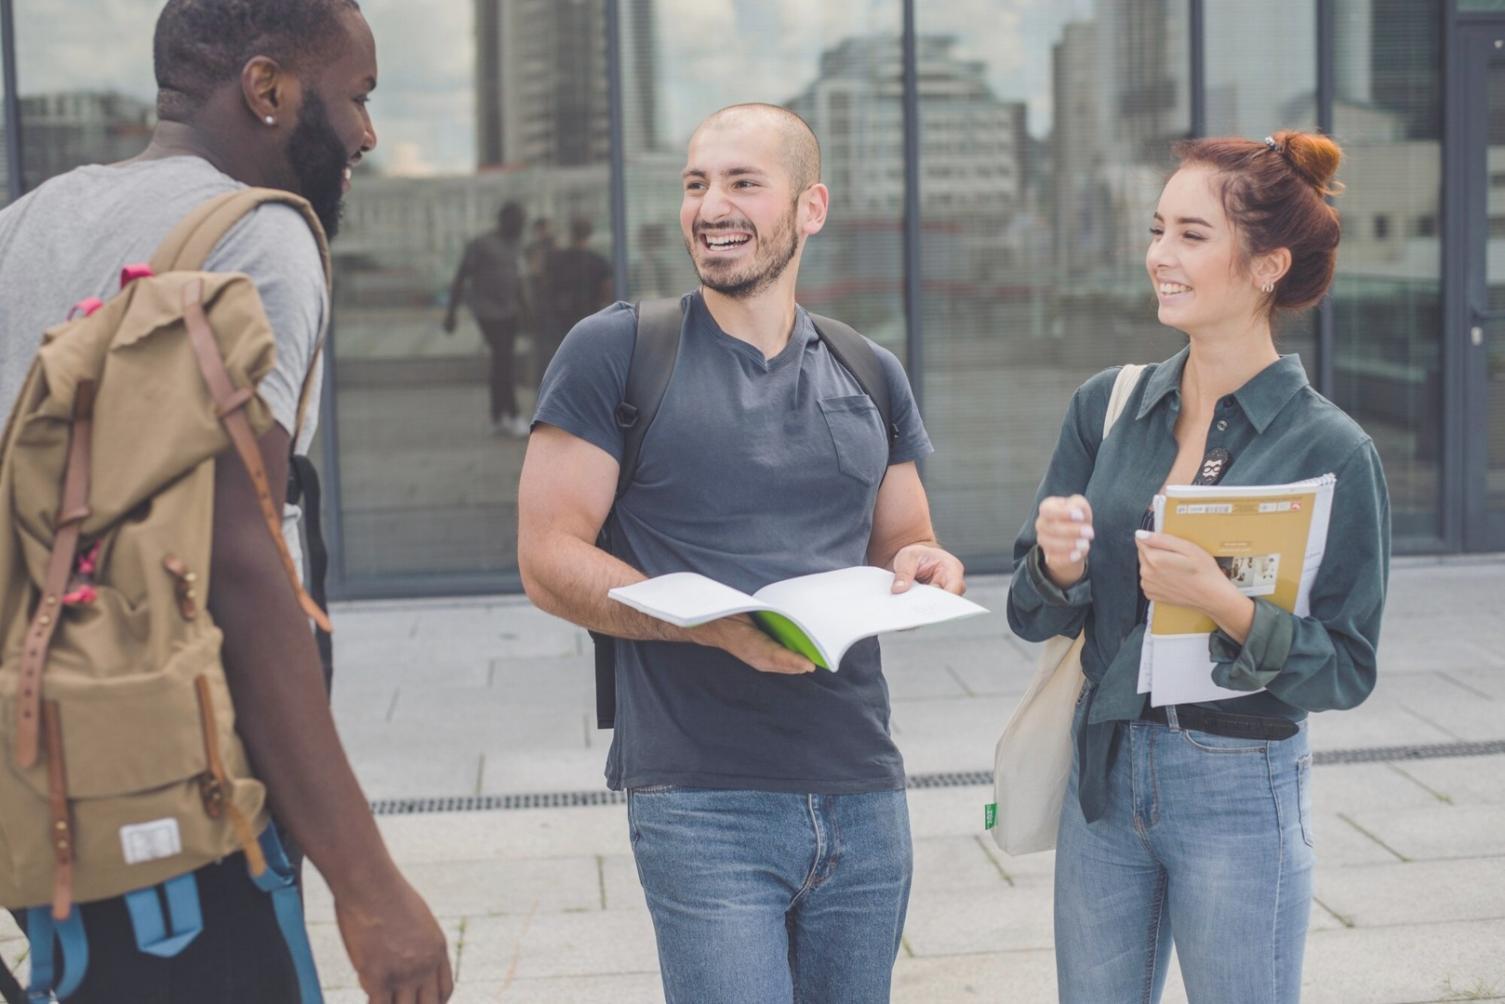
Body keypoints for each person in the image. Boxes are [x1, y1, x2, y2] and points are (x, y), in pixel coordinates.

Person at [0, 1, 453, 1000]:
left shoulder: (25, 224)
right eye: (357, 97)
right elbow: (239, 563)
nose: (368, 134)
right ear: (266, 89)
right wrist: (372, 886)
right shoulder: (255, 236)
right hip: (185, 776)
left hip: (41, 770)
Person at [517, 103, 965, 1003]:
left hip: (862, 787)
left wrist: (926, 567)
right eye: (695, 184)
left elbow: (905, 540)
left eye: (741, 183)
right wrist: (715, 626)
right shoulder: (617, 351)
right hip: (699, 797)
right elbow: (546, 558)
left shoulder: (868, 368)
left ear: (810, 208)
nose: (710, 205)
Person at [1008, 131, 1389, 1003]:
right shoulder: (1105, 406)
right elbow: (1031, 615)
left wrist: (1225, 603)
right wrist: (1056, 569)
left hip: (1237, 786)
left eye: (1190, 235)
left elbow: (1348, 667)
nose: (1158, 257)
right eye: (1156, 230)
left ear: (1266, 266)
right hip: (1100, 777)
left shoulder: (1330, 448)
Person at [444, 201, 530, 437]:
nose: (523, 226)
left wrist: (526, 311)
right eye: (519, 221)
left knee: (501, 362)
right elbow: (461, 276)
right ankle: (513, 415)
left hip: (510, 311)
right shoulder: (481, 245)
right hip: (488, 312)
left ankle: (497, 417)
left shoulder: (515, 244)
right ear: (504, 221)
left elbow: (518, 279)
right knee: (505, 361)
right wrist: (451, 313)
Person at [537, 216, 611, 376]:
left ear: (571, 234)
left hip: (560, 321)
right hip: (588, 319)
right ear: (589, 235)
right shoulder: (598, 262)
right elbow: (606, 294)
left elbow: (545, 288)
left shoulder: (556, 259)